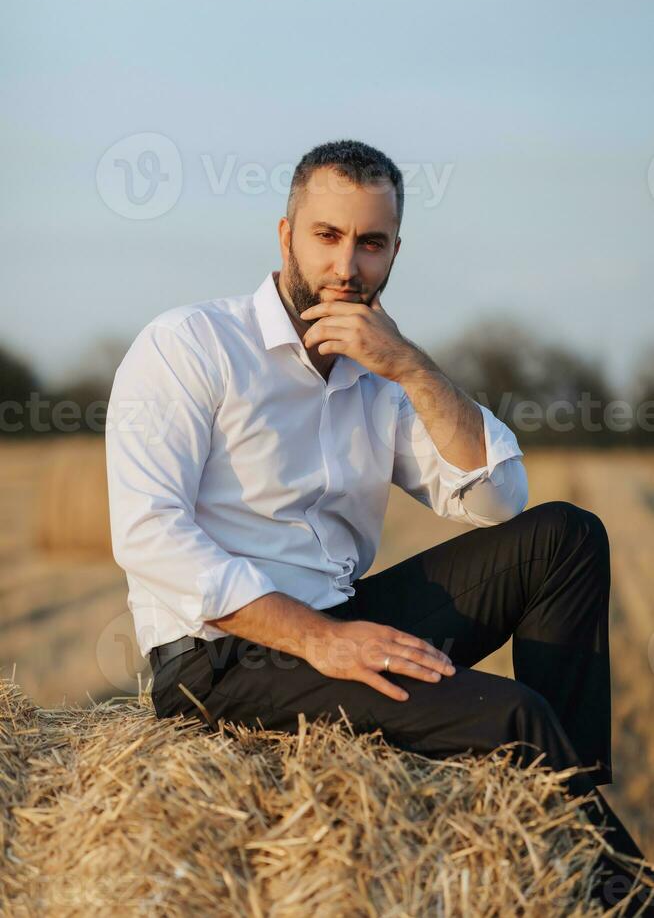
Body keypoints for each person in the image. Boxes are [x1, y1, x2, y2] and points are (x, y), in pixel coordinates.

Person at [105, 139, 652, 913]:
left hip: (343, 617)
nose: (346, 267)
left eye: (371, 243)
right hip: (222, 657)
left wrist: (412, 368)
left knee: (564, 539)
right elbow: (148, 534)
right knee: (510, 716)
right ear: (286, 233)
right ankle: (620, 888)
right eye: (327, 236)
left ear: (396, 249)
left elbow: (500, 502)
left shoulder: (380, 370)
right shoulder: (190, 346)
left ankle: (566, 814)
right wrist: (320, 640)